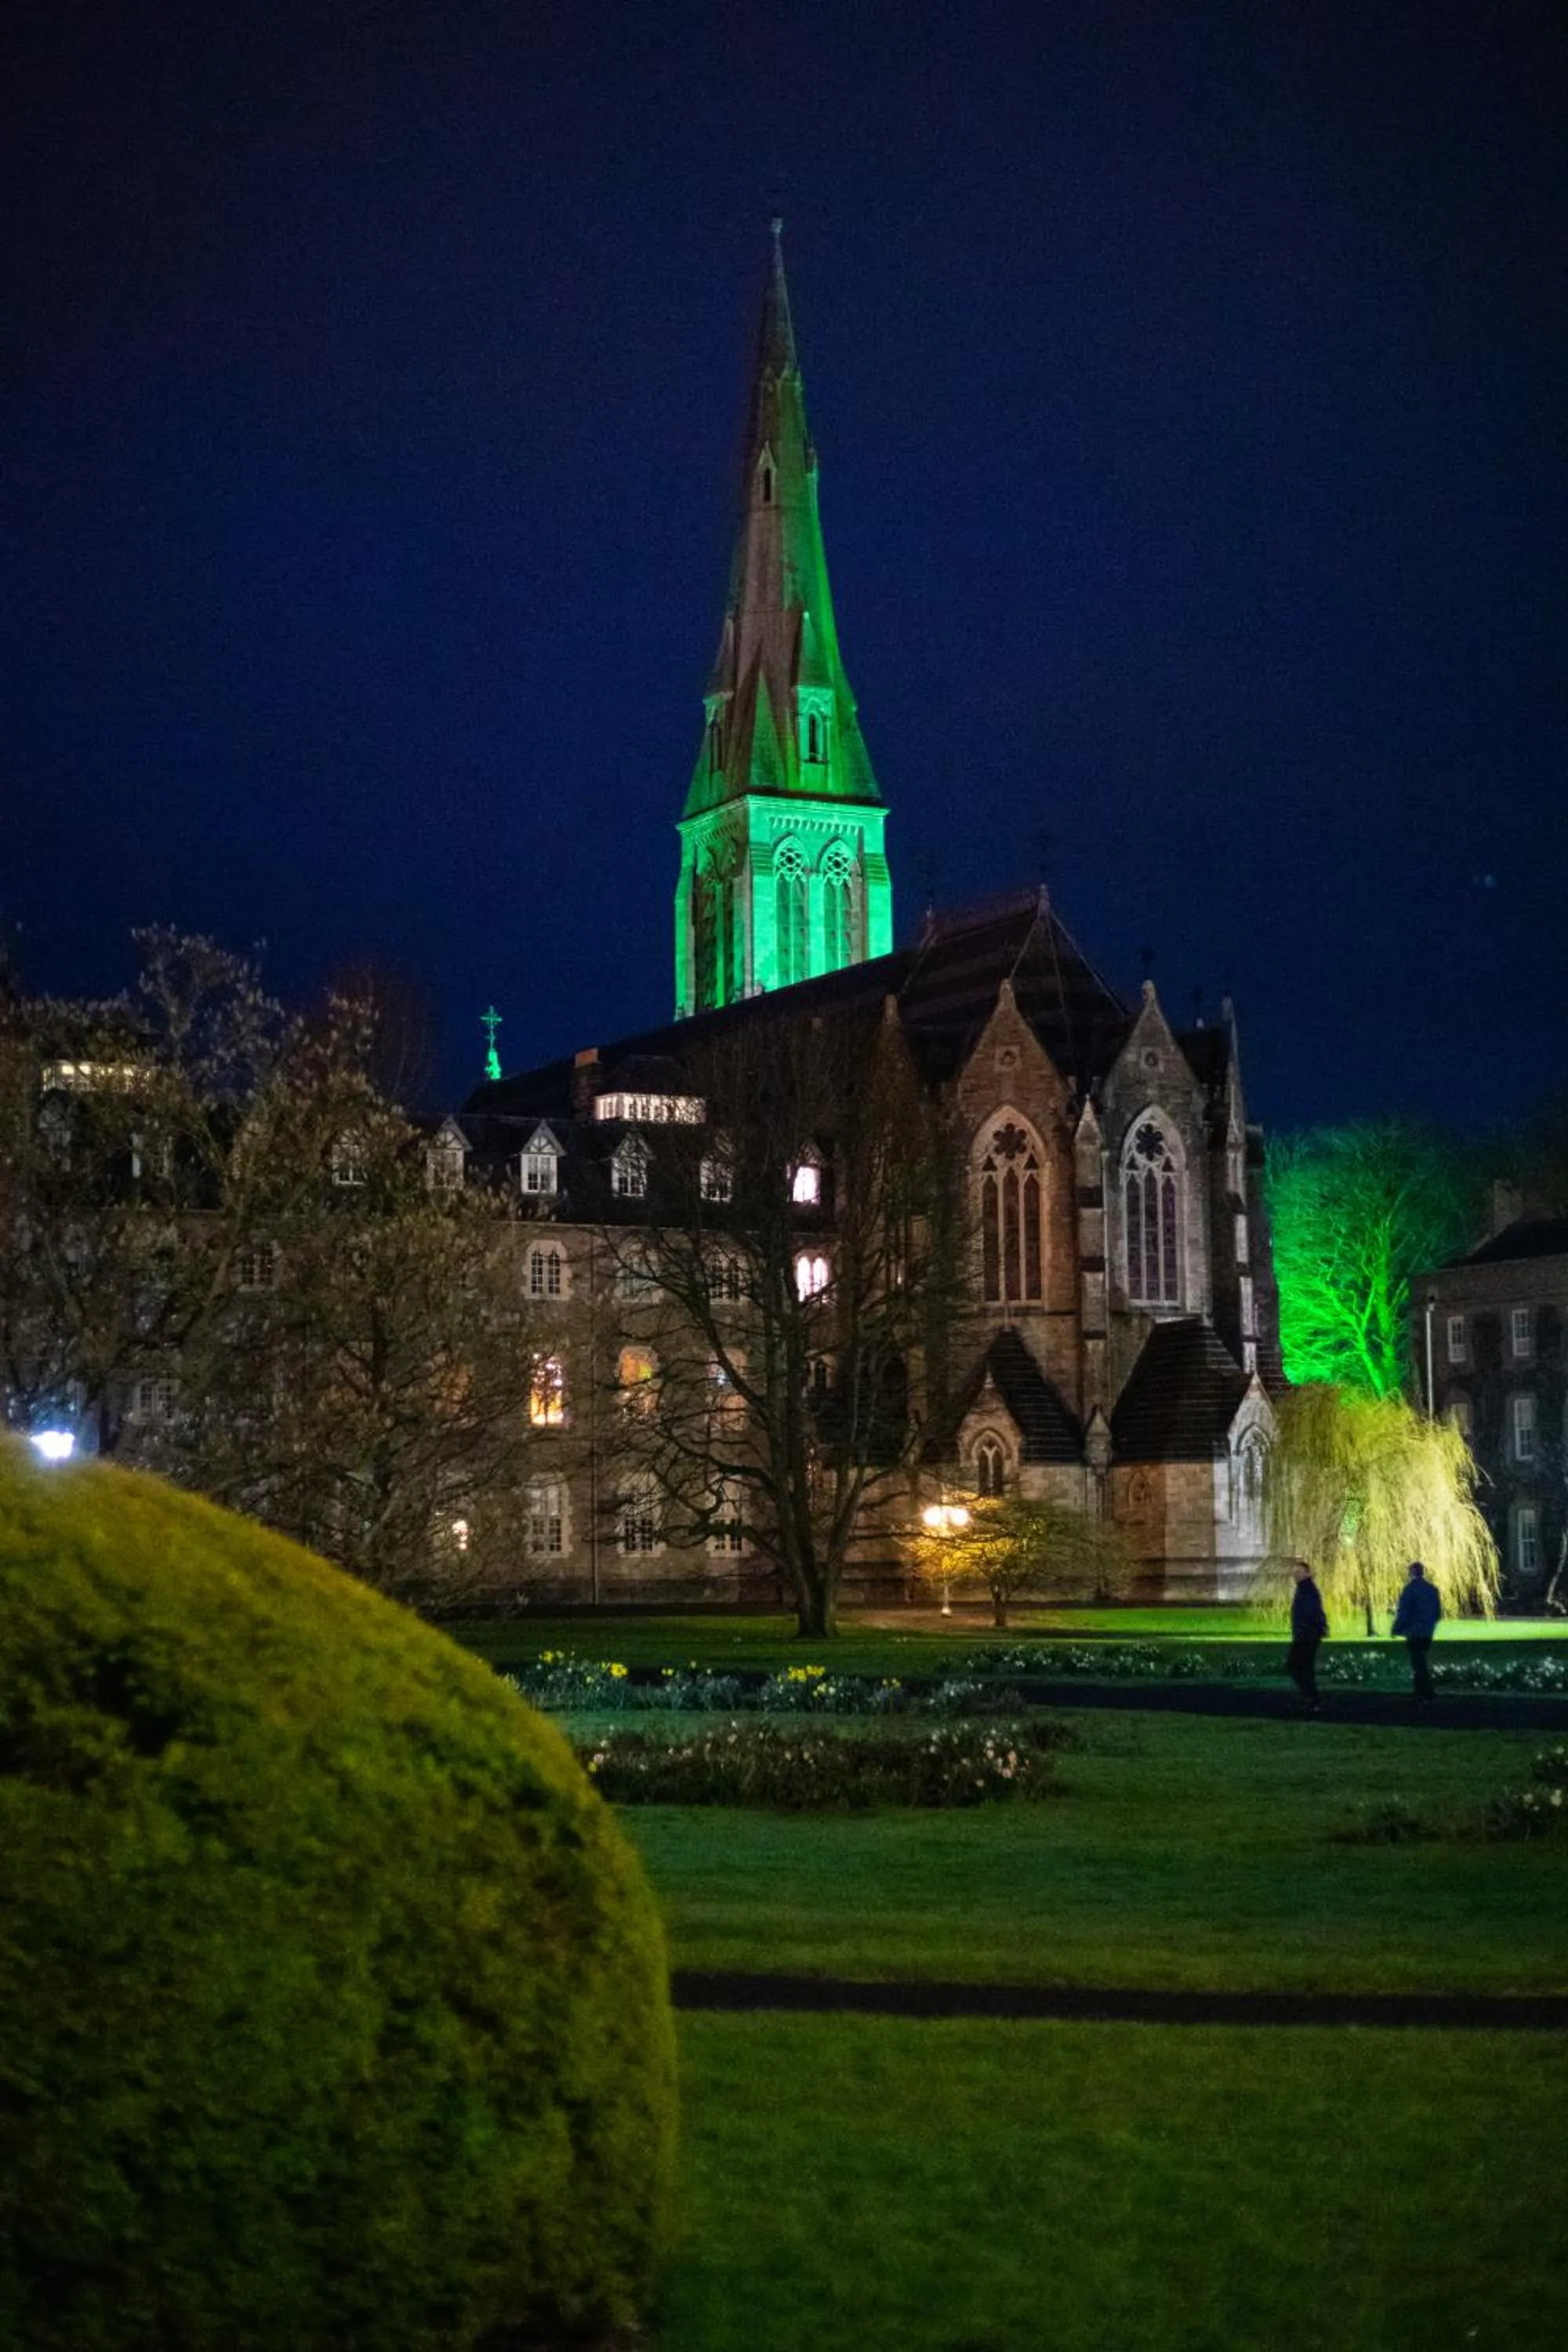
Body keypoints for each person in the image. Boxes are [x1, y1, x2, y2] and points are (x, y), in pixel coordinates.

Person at [1391, 1560, 1443, 1705]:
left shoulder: (1410, 1589)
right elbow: (1438, 1613)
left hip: (1414, 1632)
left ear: (1412, 1572)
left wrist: (1396, 1628)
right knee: (1421, 1659)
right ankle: (1423, 1691)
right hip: (1427, 1631)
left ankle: (1423, 1692)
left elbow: (1404, 1611)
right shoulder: (1432, 1589)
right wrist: (1430, 1625)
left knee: (1417, 1662)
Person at [1286, 1561, 1329, 1712]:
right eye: (1294, 1573)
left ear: (1307, 1573)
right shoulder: (1305, 1589)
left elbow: (1312, 1612)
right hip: (1307, 1634)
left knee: (1296, 1664)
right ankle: (1311, 1698)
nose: (1295, 1576)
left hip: (1306, 1636)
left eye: (1298, 1573)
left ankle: (1311, 1698)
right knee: (1303, 1667)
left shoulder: (1307, 1590)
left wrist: (1309, 1629)